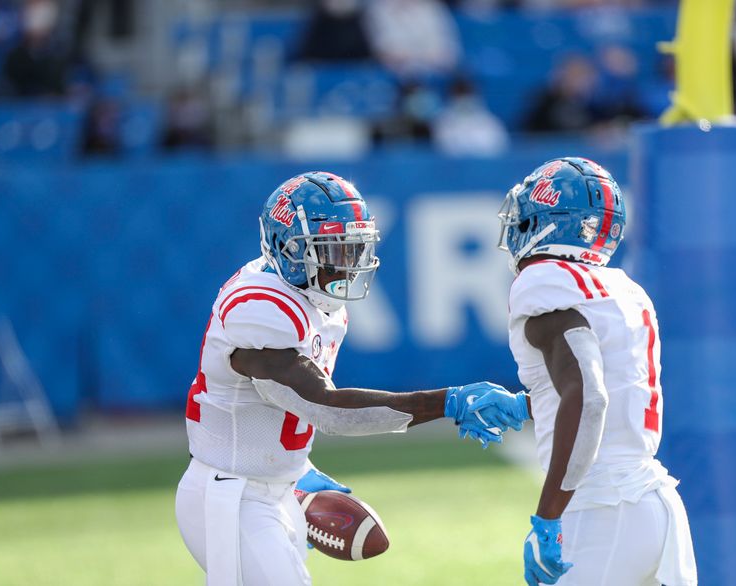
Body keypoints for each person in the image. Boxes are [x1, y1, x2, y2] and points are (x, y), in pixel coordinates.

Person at [175, 171, 510, 586]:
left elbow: (272, 406)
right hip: (231, 497)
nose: (346, 264)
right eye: (332, 250)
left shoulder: (316, 301)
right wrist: (447, 402)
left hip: (273, 491)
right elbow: (326, 409)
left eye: (353, 248)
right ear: (289, 249)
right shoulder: (260, 307)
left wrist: (297, 471)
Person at [468, 158, 697, 585]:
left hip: (602, 506)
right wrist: (526, 406)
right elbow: (603, 382)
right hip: (655, 504)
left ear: (549, 223)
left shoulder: (543, 281)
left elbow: (590, 397)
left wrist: (548, 517)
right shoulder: (624, 289)